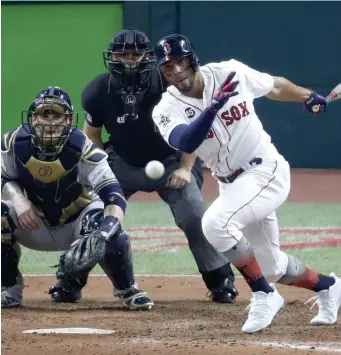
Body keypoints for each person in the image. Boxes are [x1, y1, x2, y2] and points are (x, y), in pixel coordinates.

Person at [151, 34, 341, 333]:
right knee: (273, 267)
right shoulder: (165, 109)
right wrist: (213, 107)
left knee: (215, 223)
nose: (175, 71)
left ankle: (264, 294)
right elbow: (186, 140)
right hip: (232, 184)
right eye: (167, 67)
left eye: (180, 62)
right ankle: (328, 286)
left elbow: (275, 85)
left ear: (192, 59)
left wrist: (306, 95)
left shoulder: (230, 73)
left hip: (266, 170)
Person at [81, 28, 238, 303]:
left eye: (136, 53)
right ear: (112, 56)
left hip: (171, 161)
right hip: (122, 162)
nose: (129, 59)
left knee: (194, 215)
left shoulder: (169, 85)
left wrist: (186, 169)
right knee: (94, 215)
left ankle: (220, 278)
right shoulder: (97, 90)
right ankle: (71, 279)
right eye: (122, 54)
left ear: (148, 56)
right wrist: (99, 169)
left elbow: (193, 131)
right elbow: (91, 135)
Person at [1, 86, 153, 311]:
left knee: (105, 223)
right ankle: (9, 290)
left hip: (78, 226)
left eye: (57, 116)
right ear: (34, 118)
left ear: (68, 119)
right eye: (45, 115)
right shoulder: (14, 143)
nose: (51, 123)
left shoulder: (83, 149)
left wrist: (104, 233)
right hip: (34, 223)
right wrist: (19, 200)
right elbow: (3, 177)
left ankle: (127, 288)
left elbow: (115, 197)